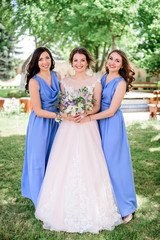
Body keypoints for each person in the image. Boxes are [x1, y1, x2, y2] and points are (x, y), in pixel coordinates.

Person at [35, 47, 123, 233]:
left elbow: (97, 105)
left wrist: (85, 112)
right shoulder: (64, 82)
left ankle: (96, 208)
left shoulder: (96, 82)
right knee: (63, 163)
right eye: (76, 60)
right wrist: (68, 113)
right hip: (68, 127)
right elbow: (61, 103)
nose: (79, 64)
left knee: (89, 162)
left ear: (87, 62)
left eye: (82, 60)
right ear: (71, 62)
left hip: (87, 127)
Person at [77, 49, 137, 224]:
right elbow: (95, 101)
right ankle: (107, 204)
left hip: (111, 124)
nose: (112, 62)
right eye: (111, 59)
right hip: (97, 123)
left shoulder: (121, 83)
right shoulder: (102, 79)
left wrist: (88, 118)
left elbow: (111, 110)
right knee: (99, 164)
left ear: (122, 65)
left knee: (115, 164)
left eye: (117, 61)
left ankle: (127, 207)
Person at [21, 47, 60, 208]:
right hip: (40, 123)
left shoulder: (57, 76)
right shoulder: (34, 81)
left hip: (57, 124)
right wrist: (59, 116)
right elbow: (37, 110)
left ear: (51, 59)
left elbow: (63, 99)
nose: (45, 62)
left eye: (47, 58)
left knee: (53, 159)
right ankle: (39, 201)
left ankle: (53, 195)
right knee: (38, 160)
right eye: (41, 59)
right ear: (36, 62)